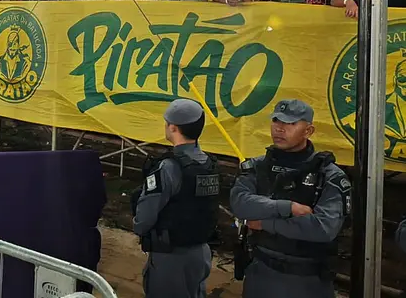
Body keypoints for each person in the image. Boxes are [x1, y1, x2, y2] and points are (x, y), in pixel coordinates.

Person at [230, 99, 351, 298]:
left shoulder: (328, 175)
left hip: (307, 281)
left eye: (290, 123)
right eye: (276, 121)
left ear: (308, 130)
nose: (279, 128)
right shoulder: (258, 167)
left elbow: (322, 228)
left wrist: (264, 223)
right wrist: (288, 207)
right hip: (260, 272)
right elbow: (240, 203)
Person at [132, 99, 219, 298]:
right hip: (201, 252)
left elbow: (146, 214)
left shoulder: (169, 167)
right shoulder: (208, 163)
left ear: (173, 127)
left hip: (171, 257)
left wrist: (139, 227)